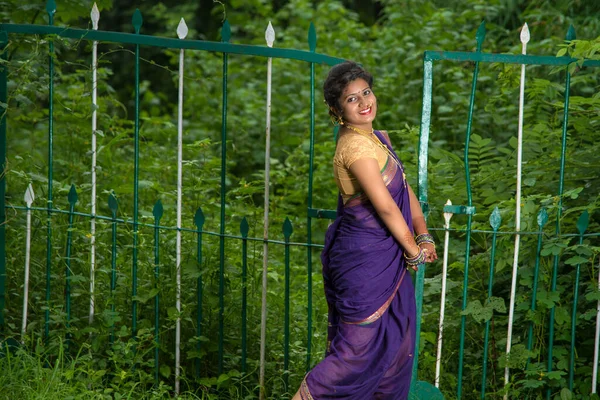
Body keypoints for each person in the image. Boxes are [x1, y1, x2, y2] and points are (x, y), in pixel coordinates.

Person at [292, 61, 437, 400]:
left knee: (395, 350)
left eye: (366, 92)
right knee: (355, 352)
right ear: (336, 110)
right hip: (365, 263)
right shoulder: (354, 148)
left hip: (390, 257)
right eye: (351, 99)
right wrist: (413, 251)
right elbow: (385, 205)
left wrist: (423, 233)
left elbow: (404, 188)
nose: (364, 103)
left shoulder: (375, 138)